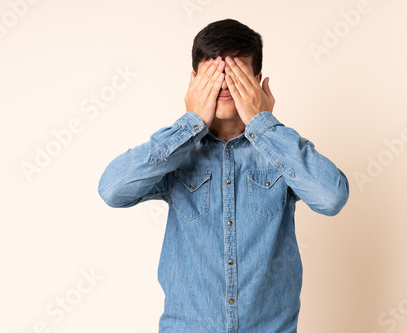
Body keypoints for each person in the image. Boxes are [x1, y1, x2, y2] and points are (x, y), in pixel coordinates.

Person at [98, 18, 349, 333]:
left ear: (258, 81)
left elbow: (331, 196)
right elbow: (112, 189)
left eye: (238, 75)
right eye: (214, 75)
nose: (226, 85)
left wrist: (263, 123)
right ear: (194, 81)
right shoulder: (176, 154)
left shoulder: (280, 152)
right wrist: (189, 123)